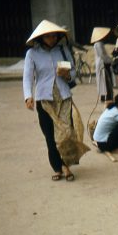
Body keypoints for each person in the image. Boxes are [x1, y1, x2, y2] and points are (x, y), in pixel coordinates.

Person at [23, 19, 90, 182]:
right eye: (48, 37)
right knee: (50, 136)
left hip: (64, 97)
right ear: (41, 38)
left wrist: (67, 75)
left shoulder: (63, 50)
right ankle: (58, 167)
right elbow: (27, 77)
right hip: (44, 100)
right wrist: (28, 96)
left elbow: (74, 72)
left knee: (66, 133)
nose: (52, 39)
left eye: (54, 36)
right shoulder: (32, 54)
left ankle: (66, 164)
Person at [91, 27, 114, 103]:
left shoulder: (99, 43)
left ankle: (104, 96)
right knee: (105, 81)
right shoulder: (98, 44)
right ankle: (107, 96)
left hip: (102, 63)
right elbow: (102, 55)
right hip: (102, 64)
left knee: (102, 81)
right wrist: (110, 60)